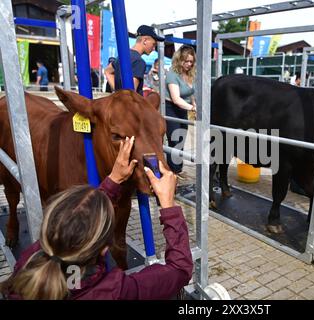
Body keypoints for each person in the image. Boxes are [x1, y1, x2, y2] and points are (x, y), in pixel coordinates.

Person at [0, 137, 193, 300]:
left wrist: (114, 179)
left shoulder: (30, 260)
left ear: (49, 226)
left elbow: (82, 218)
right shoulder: (110, 291)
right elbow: (180, 269)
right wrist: (168, 205)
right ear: (104, 250)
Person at [104, 25, 165, 96]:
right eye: (153, 44)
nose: (154, 48)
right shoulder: (139, 61)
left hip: (119, 103)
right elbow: (131, 95)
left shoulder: (122, 56)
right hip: (129, 105)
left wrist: (117, 92)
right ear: (145, 41)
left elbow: (107, 71)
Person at [165, 45, 197, 176]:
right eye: (186, 61)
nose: (189, 64)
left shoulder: (189, 74)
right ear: (179, 59)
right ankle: (172, 172)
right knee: (174, 140)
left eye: (191, 61)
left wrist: (195, 105)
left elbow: (190, 93)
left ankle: (178, 170)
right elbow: (176, 98)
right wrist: (193, 108)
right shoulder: (172, 74)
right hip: (171, 109)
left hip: (183, 110)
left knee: (181, 140)